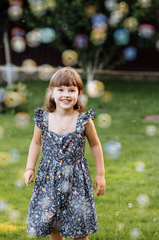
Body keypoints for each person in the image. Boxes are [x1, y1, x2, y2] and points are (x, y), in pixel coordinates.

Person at [24, 67, 106, 240]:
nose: (66, 94)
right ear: (52, 93)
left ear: (79, 94)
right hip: (49, 179)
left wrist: (100, 174)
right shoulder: (43, 120)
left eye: (71, 90)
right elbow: (36, 142)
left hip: (76, 180)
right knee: (53, 225)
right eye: (60, 89)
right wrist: (29, 168)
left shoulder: (83, 121)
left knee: (79, 228)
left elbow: (95, 144)